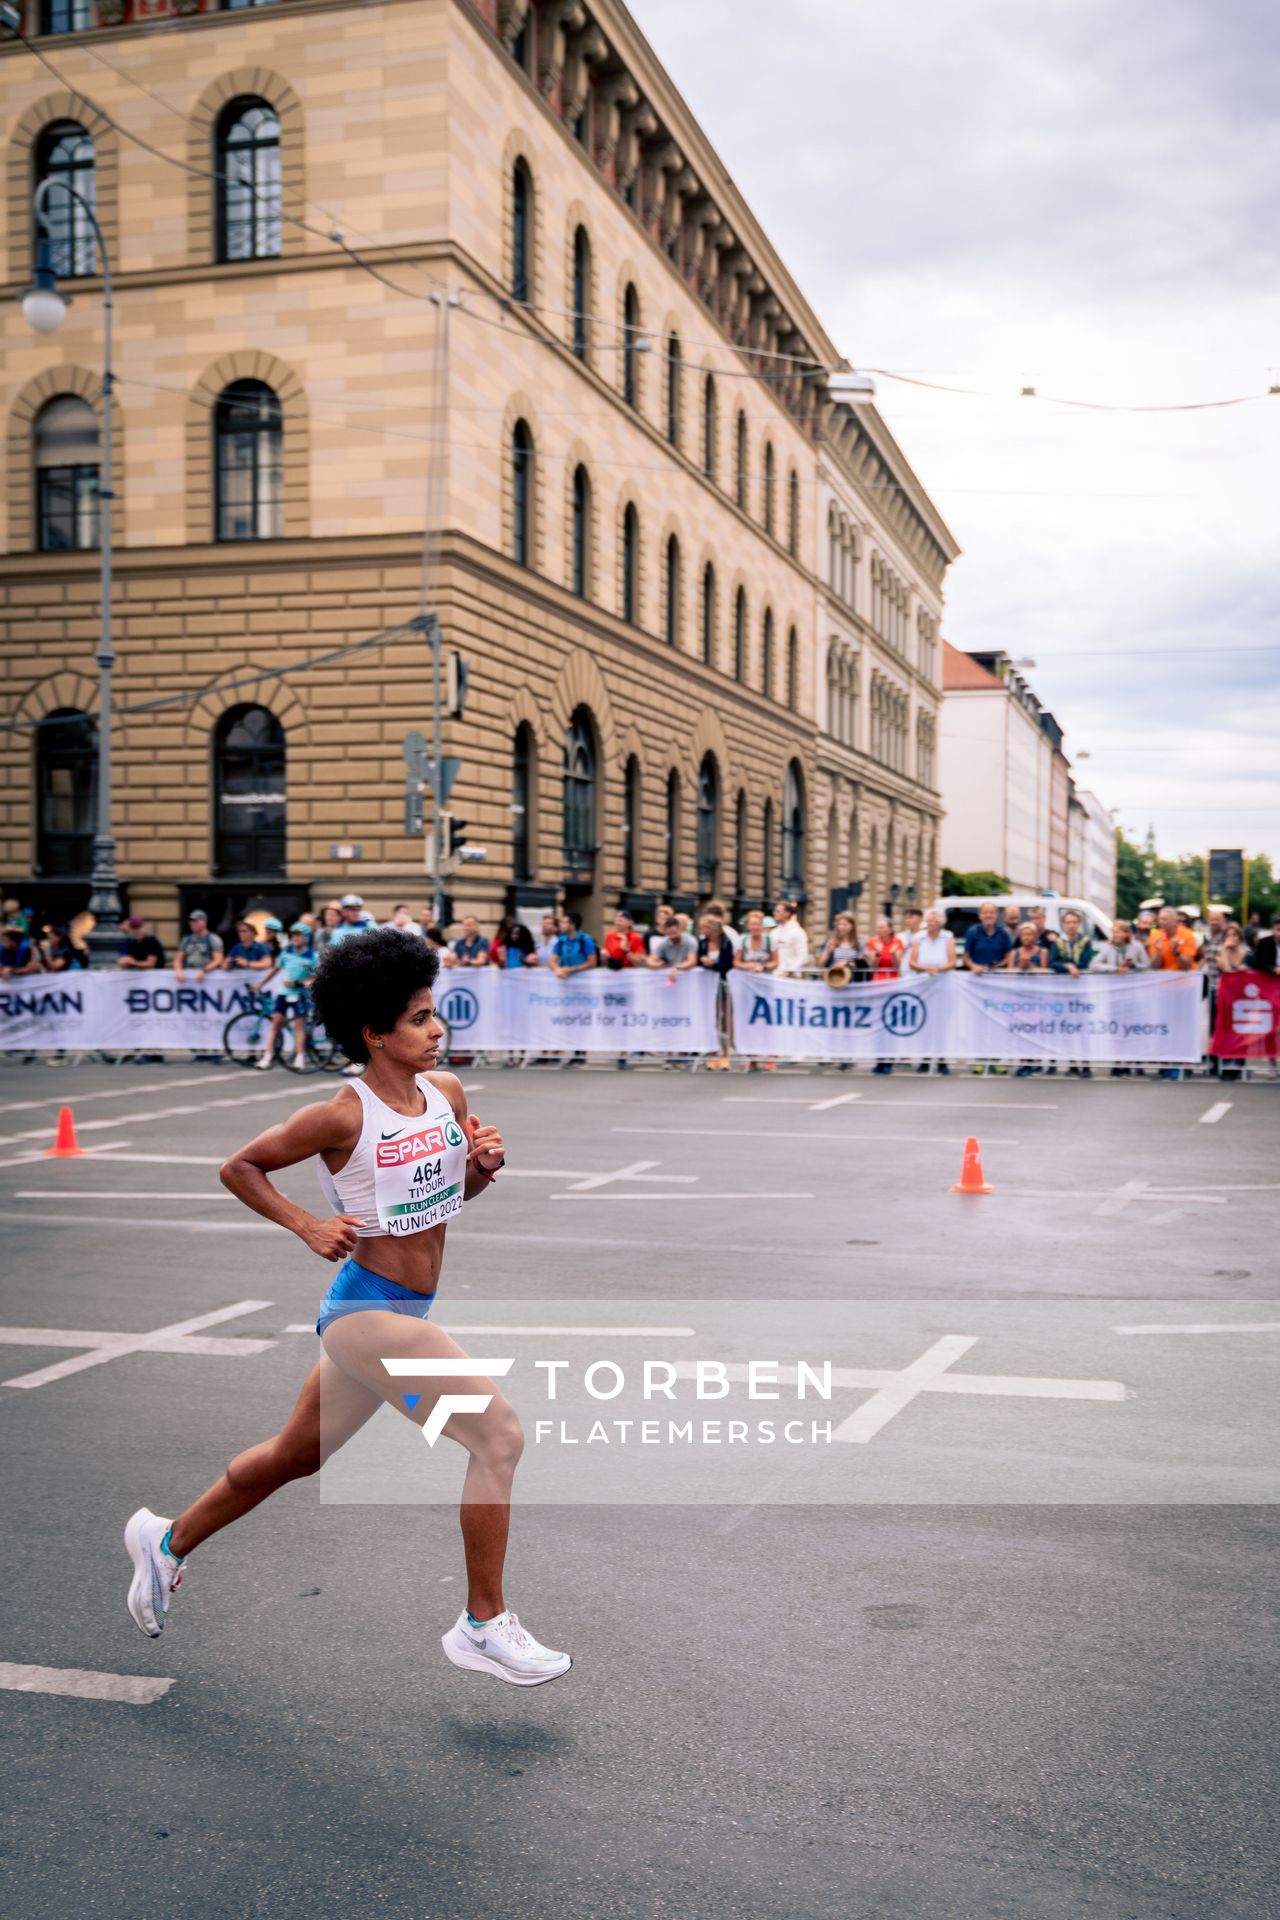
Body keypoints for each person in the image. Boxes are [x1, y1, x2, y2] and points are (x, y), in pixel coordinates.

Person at [123, 930, 569, 1685]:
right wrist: (308, 1224)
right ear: (373, 1033)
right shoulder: (340, 1115)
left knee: (296, 1456)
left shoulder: (446, 1095)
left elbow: (441, 1204)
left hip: (406, 1311)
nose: (437, 1031)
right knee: (498, 1436)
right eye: (420, 1019)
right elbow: (240, 1166)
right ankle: (483, 1624)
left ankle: (165, 1541)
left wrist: (483, 1172)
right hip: (364, 1311)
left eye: (435, 1016)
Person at [258, 922, 320, 1071]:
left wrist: (298, 983)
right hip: (283, 993)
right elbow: (276, 970)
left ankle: (300, 1057)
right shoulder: (286, 953)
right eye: (293, 935)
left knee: (299, 1026)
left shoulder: (312, 956)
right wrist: (260, 984)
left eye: (298, 935)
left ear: (306, 938)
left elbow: (315, 977)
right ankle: (267, 1056)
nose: (295, 938)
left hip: (299, 995)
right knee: (276, 1023)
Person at [908, 908, 955, 1075]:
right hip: (924, 985)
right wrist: (926, 969)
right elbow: (912, 962)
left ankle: (942, 1059)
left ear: (940, 923)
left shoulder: (947, 937)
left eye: (934, 921)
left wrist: (939, 969)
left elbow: (952, 961)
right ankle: (925, 1059)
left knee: (941, 1025)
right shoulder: (918, 938)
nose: (931, 924)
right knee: (925, 1022)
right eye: (929, 921)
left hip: (942, 984)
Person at [174, 908, 225, 984]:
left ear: (204, 922)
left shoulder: (213, 939)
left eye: (195, 921)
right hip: (189, 977)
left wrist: (204, 970)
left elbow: (218, 960)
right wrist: (178, 971)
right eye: (190, 921)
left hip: (208, 978)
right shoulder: (187, 939)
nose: (191, 923)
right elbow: (178, 959)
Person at [963, 901, 1014, 974]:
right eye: (985, 913)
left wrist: (998, 966)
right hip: (978, 976)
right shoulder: (972, 932)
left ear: (996, 915)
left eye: (991, 913)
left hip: (998, 976)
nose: (988, 915)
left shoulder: (1003, 933)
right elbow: (965, 958)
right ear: (979, 915)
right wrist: (974, 966)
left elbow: (1010, 956)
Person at [646, 914, 697, 979]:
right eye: (669, 933)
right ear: (666, 931)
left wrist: (675, 968)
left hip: (688, 978)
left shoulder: (690, 940)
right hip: (671, 977)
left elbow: (692, 962)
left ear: (680, 929)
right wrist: (660, 965)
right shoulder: (663, 942)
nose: (672, 935)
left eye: (674, 932)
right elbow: (650, 961)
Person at [769, 899, 810, 978]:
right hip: (775, 975)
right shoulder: (774, 932)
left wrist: (789, 971)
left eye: (778, 911)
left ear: (787, 913)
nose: (774, 913)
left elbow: (803, 956)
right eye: (774, 911)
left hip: (791, 977)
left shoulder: (797, 932)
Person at [897, 906, 924, 977]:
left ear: (920, 919)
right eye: (906, 918)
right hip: (904, 974)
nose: (907, 920)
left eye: (910, 917)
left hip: (921, 974)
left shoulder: (925, 936)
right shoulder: (900, 937)